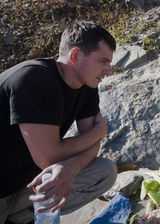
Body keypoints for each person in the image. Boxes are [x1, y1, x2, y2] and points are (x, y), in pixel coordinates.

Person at [0, 20, 118, 223]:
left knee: (104, 171)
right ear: (75, 56)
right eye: (102, 61)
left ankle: (20, 218)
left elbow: (91, 146)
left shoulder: (86, 84)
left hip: (23, 186)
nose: (108, 71)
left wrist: (71, 167)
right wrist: (98, 132)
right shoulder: (33, 79)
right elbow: (48, 157)